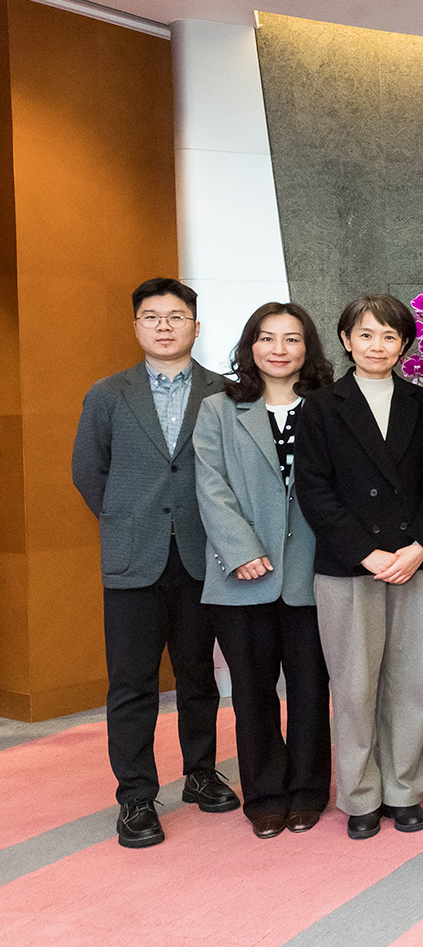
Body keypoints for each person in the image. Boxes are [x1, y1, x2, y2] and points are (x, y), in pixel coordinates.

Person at [71, 278, 240, 848]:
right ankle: (136, 797)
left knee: (199, 676)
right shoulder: (107, 394)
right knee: (131, 683)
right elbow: (88, 471)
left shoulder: (226, 391)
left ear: (196, 326)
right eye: (151, 317)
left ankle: (200, 773)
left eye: (175, 317)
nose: (164, 326)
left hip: (203, 555)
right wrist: (126, 518)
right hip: (132, 558)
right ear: (136, 326)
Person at [296, 294, 423, 840]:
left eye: (389, 336)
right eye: (365, 334)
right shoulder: (319, 406)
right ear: (345, 340)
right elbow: (314, 491)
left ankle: (404, 791)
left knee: (413, 684)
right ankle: (360, 796)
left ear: (404, 344)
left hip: (414, 563)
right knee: (354, 688)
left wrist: (420, 546)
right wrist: (366, 551)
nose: (377, 345)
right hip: (349, 567)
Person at [194, 302, 335, 838]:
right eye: (267, 338)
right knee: (252, 693)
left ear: (308, 348)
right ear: (250, 346)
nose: (279, 349)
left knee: (310, 690)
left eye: (292, 339)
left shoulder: (328, 407)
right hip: (241, 575)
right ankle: (265, 796)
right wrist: (241, 549)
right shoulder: (218, 409)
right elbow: (210, 484)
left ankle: (308, 791)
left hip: (313, 573)